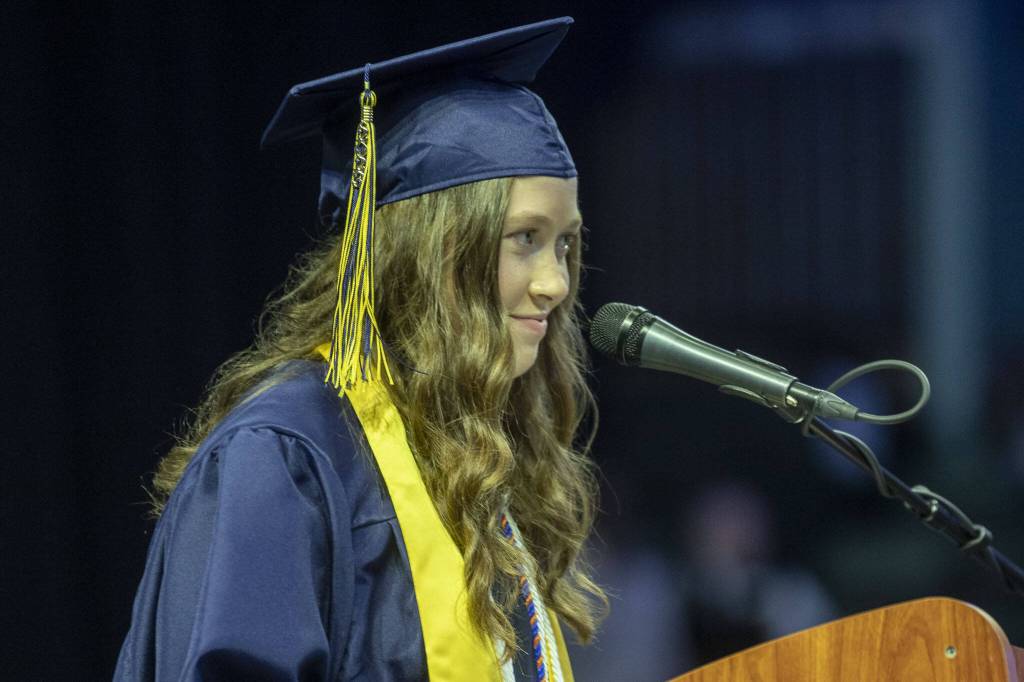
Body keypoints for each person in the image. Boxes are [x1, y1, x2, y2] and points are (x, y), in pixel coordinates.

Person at [114, 17, 605, 682]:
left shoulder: (464, 465)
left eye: (566, 244)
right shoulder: (284, 459)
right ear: (431, 252)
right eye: (525, 238)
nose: (554, 282)